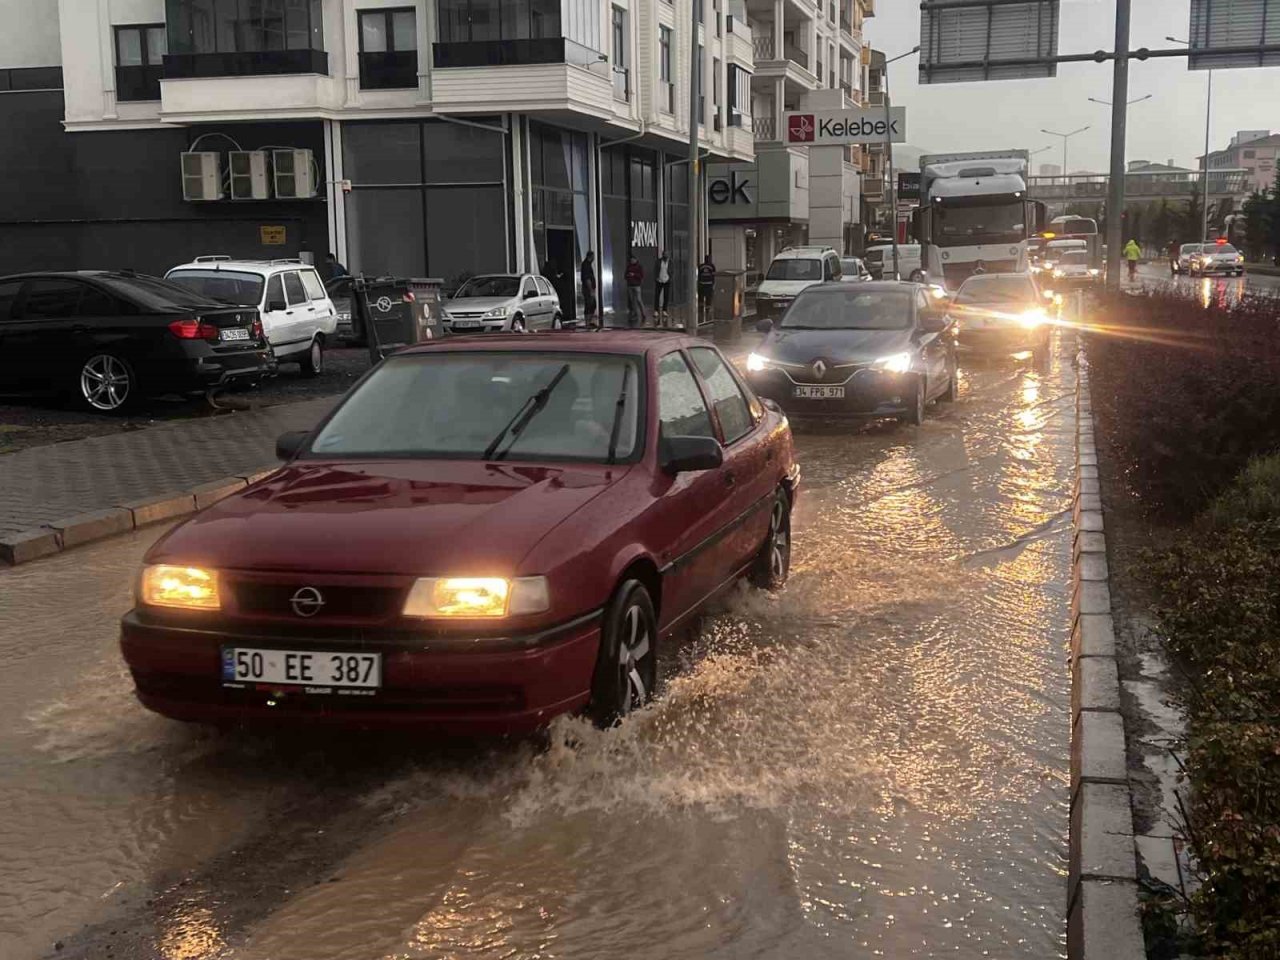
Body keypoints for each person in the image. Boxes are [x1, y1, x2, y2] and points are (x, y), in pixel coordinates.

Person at [625, 255, 646, 327]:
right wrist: (628, 276)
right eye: (631, 260)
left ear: (636, 259)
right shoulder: (628, 267)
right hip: (630, 286)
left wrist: (634, 275)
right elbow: (625, 276)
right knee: (632, 301)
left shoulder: (639, 266)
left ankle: (643, 314)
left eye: (633, 260)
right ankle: (635, 315)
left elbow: (641, 276)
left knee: (639, 300)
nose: (632, 261)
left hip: (637, 285)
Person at [697, 254, 716, 325]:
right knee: (706, 297)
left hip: (705, 284)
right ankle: (703, 310)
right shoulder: (711, 266)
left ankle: (704, 310)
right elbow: (699, 275)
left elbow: (713, 275)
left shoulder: (702, 266)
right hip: (705, 284)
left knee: (706, 298)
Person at [581, 252, 598, 328]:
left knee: (592, 305)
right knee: (589, 305)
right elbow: (587, 279)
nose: (594, 258)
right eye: (593, 257)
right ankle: (587, 323)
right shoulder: (586, 265)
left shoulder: (587, 264)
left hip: (589, 288)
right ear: (590, 256)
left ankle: (590, 321)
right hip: (587, 289)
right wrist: (591, 289)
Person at [654, 252, 671, 325]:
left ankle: (664, 310)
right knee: (657, 295)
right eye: (664, 254)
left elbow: (672, 270)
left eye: (667, 255)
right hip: (659, 280)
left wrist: (670, 278)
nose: (666, 256)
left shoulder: (670, 262)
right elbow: (655, 269)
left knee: (666, 296)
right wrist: (656, 277)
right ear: (662, 255)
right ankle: (656, 310)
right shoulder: (658, 261)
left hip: (667, 280)